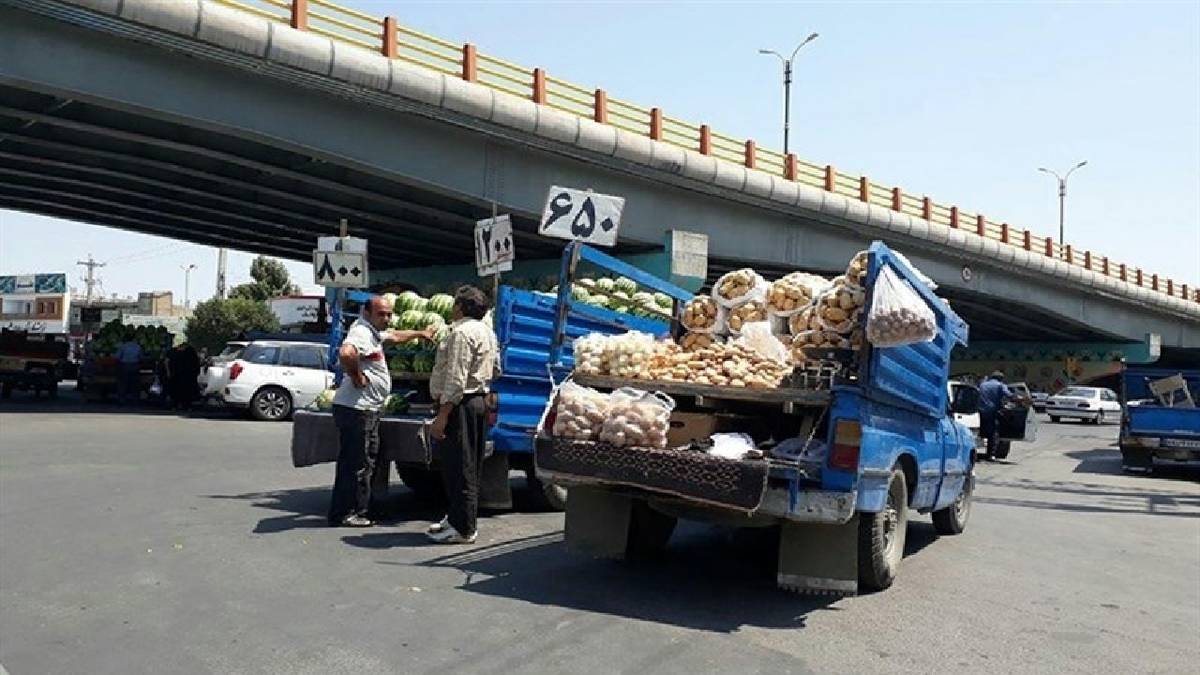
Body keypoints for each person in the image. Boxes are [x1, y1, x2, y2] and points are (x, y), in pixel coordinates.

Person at [328, 296, 434, 528]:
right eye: (381, 314)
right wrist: (357, 376)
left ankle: (359, 510)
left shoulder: (372, 332)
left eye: (389, 314)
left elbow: (395, 336)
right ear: (367, 313)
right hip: (357, 410)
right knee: (355, 463)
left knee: (365, 461)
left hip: (367, 410)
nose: (387, 318)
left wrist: (420, 334)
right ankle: (346, 513)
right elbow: (346, 353)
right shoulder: (361, 333)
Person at [426, 286, 499, 544]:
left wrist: (443, 415)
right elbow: (497, 368)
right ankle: (457, 517)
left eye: (455, 303)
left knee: (460, 467)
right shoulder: (488, 333)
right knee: (467, 465)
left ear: (460, 307)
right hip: (477, 402)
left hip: (461, 405)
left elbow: (456, 379)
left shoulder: (460, 333)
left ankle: (464, 529)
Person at [978, 370, 1014, 460]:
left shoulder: (982, 384)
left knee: (981, 431)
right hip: (992, 411)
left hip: (980, 411)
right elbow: (1009, 395)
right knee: (993, 433)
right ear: (1000, 379)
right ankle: (991, 454)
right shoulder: (1000, 385)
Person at [167, 342, 201, 410]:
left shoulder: (173, 352)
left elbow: (167, 362)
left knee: (177, 390)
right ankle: (186, 405)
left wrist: (169, 372)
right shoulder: (191, 352)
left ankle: (176, 405)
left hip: (178, 375)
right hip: (186, 375)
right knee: (186, 391)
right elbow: (196, 363)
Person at [114, 330, 143, 405]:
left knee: (123, 383)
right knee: (134, 384)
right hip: (135, 365)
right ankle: (135, 399)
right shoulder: (137, 346)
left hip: (124, 365)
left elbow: (117, 357)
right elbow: (141, 357)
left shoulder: (123, 346)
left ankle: (122, 399)